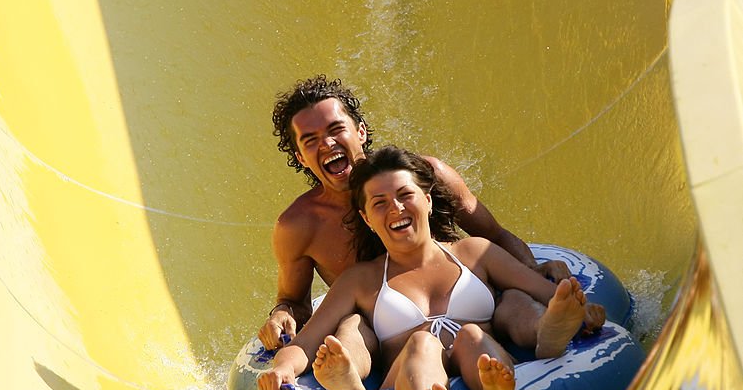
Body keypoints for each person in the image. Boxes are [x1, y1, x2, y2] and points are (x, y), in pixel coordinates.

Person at [256, 76, 602, 372]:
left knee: (513, 299)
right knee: (352, 325)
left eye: (335, 130)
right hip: (388, 333)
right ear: (301, 157)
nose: (328, 144)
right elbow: (294, 299)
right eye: (311, 140)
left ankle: (549, 327)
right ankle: (348, 383)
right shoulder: (298, 226)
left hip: (469, 311)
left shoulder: (426, 178)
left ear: (360, 132)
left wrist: (532, 271)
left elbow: (492, 238)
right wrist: (281, 314)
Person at [257, 147, 590, 390]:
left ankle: (517, 381)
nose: (396, 208)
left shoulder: (474, 253)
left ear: (428, 200)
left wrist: (579, 309)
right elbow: (307, 340)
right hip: (407, 378)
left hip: (481, 361)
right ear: (367, 219)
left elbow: (548, 293)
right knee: (422, 344)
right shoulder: (362, 279)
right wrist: (282, 371)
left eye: (406, 195)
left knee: (473, 335)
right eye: (380, 203)